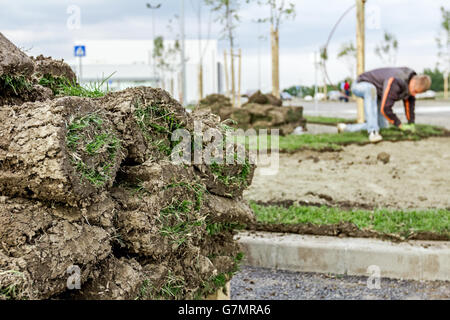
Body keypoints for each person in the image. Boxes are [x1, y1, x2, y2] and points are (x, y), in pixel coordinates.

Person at [337, 67, 431, 143]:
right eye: (415, 90)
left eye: (417, 93)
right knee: (370, 89)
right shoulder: (396, 80)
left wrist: (411, 123)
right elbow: (385, 108)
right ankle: (373, 132)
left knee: (383, 126)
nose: (414, 94)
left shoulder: (410, 85)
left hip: (378, 93)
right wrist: (399, 124)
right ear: (413, 82)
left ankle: (346, 128)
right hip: (361, 84)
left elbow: (409, 104)